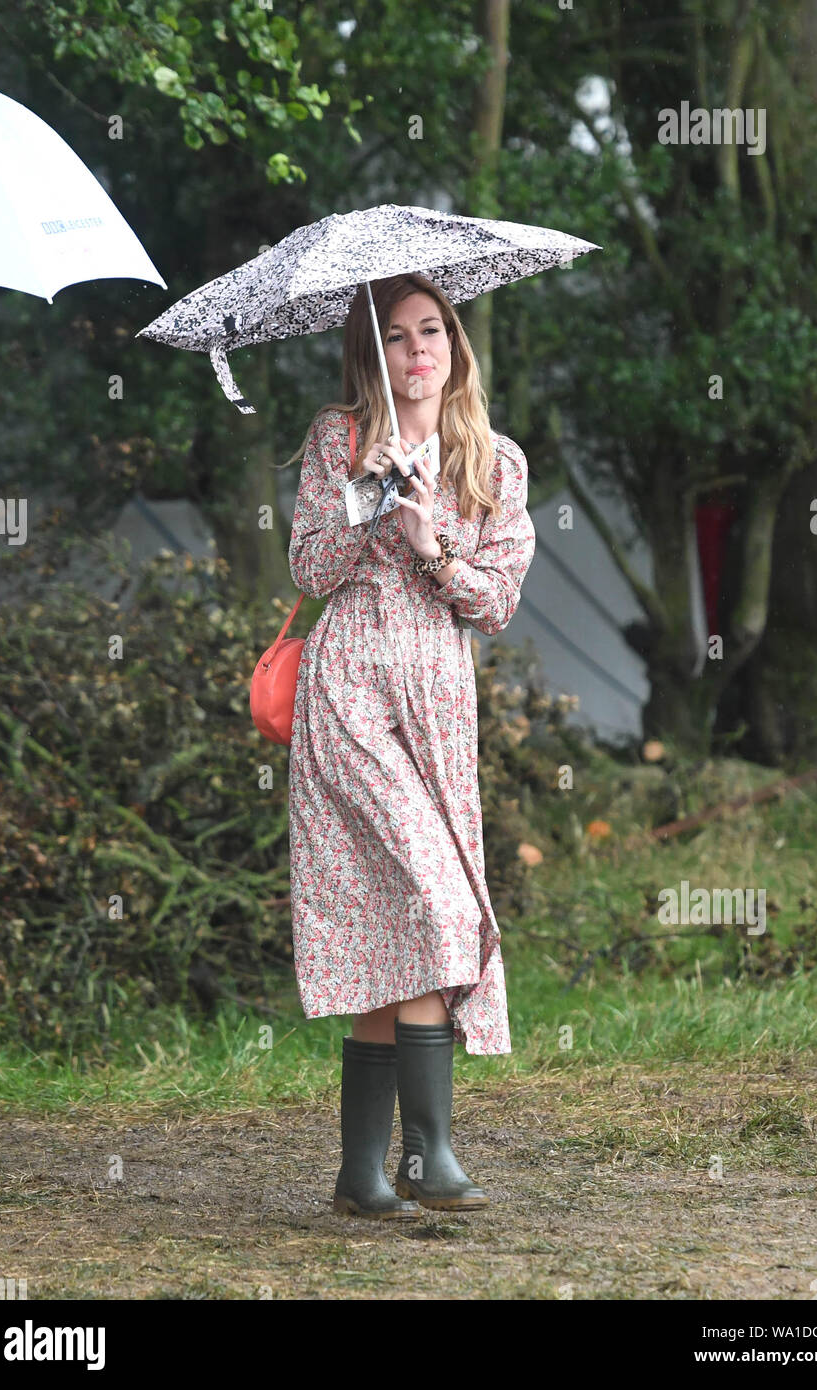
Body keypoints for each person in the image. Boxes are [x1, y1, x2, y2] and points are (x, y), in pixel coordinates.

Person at [283, 272, 536, 1218]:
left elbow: (496, 603)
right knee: (433, 900)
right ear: (372, 355)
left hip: (434, 698)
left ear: (455, 345)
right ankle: (430, 1156)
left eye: (432, 331)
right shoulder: (338, 438)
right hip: (348, 691)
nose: (418, 350)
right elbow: (309, 567)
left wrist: (432, 541)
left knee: (399, 921)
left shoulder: (493, 461)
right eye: (395, 336)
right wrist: (365, 495)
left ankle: (360, 1175)